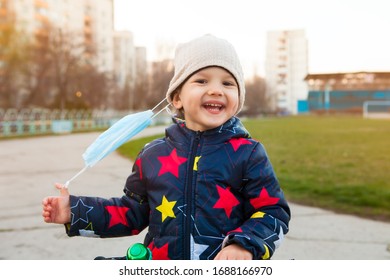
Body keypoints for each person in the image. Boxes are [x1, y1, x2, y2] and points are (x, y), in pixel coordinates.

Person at [42, 34, 291, 260]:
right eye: (202, 80)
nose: (216, 90)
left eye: (228, 84)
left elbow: (273, 212)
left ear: (238, 100)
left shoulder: (248, 153)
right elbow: (131, 213)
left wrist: (244, 245)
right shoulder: (152, 155)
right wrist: (75, 211)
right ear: (177, 98)